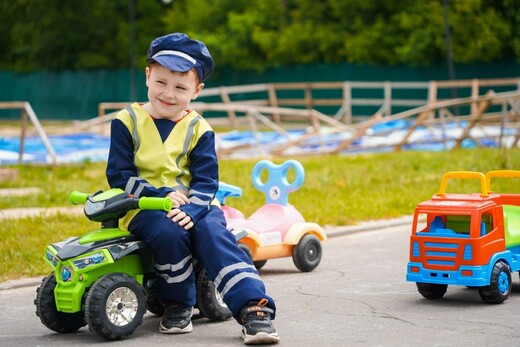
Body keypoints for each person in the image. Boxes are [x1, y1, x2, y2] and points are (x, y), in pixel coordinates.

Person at [106, 32, 280, 345]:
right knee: (168, 232)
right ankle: (177, 304)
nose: (168, 94)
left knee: (214, 234)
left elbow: (206, 180)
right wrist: (157, 198)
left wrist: (194, 209)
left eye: (180, 87)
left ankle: (255, 308)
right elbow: (119, 175)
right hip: (145, 207)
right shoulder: (126, 121)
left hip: (196, 206)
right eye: (161, 82)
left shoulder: (199, 128)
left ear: (197, 90)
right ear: (148, 75)